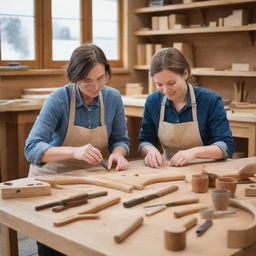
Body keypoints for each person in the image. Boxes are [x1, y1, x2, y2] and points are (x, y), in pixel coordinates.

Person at [25, 44, 130, 255]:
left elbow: (121, 139)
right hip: (54, 181)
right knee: (55, 247)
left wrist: (118, 154)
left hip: (92, 180)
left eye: (101, 78)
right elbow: (32, 147)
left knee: (94, 242)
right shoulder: (58, 99)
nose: (96, 87)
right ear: (74, 78)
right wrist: (73, 151)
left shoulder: (112, 98)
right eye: (87, 82)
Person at [139, 47, 234, 168]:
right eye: (159, 84)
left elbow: (226, 145)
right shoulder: (153, 101)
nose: (166, 90)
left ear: (185, 73)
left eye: (171, 83)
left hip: (206, 169)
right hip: (169, 168)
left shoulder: (210, 100)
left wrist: (194, 152)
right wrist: (150, 150)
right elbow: (145, 140)